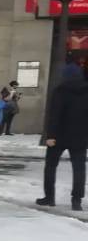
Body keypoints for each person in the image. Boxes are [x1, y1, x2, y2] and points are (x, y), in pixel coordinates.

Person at [39, 59, 88, 211]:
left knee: (51, 167)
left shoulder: (60, 90)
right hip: (80, 137)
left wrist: (50, 136)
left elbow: (55, 115)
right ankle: (76, 200)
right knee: (79, 169)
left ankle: (49, 197)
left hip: (59, 136)